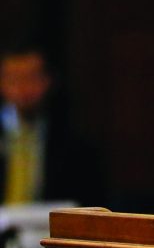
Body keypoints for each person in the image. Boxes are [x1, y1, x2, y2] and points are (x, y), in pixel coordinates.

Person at [0, 43, 103, 206]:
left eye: (31, 78)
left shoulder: (74, 140)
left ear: (47, 81)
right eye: (13, 79)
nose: (22, 88)